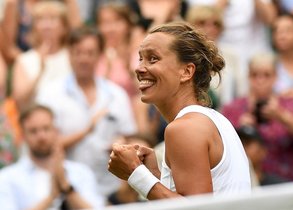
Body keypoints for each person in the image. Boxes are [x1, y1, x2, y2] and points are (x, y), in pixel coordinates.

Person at [108, 22, 251, 200]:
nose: (139, 68)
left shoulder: (184, 128)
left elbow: (195, 209)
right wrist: (155, 175)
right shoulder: (214, 120)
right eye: (140, 58)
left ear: (186, 71)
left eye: (153, 58)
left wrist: (135, 173)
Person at [36, 26, 137, 197]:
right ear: (69, 54)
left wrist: (121, 144)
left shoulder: (116, 94)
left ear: (100, 55)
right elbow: (42, 146)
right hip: (66, 190)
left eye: (90, 53)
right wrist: (86, 131)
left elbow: (131, 137)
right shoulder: (50, 94)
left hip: (111, 189)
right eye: (78, 52)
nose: (84, 59)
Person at [0, 104, 104, 210]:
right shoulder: (7, 178)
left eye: (46, 128)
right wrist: (51, 197)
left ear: (56, 131)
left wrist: (66, 186)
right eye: (33, 131)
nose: (41, 136)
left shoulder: (81, 172)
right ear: (22, 136)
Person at [222, 52, 293, 181]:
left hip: (286, 179)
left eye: (266, 75)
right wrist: (239, 130)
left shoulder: (289, 104)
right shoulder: (233, 108)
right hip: (248, 179)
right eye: (255, 75)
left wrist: (281, 116)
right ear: (248, 77)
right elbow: (222, 146)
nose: (260, 81)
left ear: (275, 77)